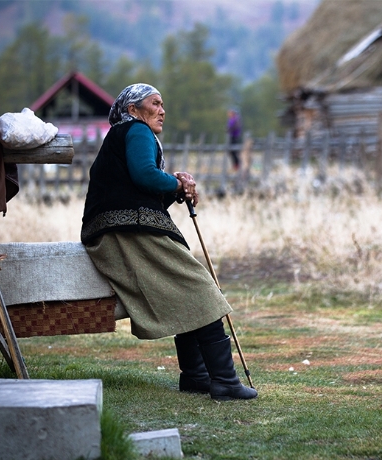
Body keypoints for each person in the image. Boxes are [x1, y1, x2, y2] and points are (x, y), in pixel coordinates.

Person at [81, 84, 257, 401]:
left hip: (118, 231)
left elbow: (145, 185)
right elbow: (146, 176)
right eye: (155, 104)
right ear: (133, 110)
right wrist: (177, 182)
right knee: (201, 289)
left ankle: (196, 376)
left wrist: (175, 187)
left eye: (163, 105)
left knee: (184, 294)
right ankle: (226, 383)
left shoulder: (121, 138)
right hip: (129, 232)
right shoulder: (136, 130)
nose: (162, 111)